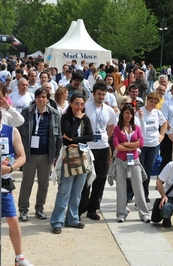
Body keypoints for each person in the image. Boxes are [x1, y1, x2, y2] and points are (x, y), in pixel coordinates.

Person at [50, 93, 93, 234]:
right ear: (71, 103)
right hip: (68, 155)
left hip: (82, 155)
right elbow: (67, 133)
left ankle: (73, 219)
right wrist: (75, 121)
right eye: (76, 104)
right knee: (64, 190)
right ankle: (57, 221)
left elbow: (90, 136)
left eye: (81, 104)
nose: (79, 107)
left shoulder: (85, 118)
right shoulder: (66, 118)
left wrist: (74, 139)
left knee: (77, 191)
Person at [17, 87, 62, 221]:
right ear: (35, 98)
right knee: (27, 183)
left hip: (46, 155)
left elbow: (58, 135)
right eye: (38, 97)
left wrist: (57, 154)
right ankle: (23, 210)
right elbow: (18, 133)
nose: (41, 100)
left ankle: (39, 208)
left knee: (43, 184)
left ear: (48, 99)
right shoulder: (26, 112)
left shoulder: (54, 114)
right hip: (29, 154)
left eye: (44, 97)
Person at [79, 82, 116, 220]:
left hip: (103, 147)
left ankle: (93, 208)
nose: (101, 97)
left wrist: (106, 141)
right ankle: (81, 207)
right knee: (84, 179)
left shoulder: (109, 110)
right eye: (99, 94)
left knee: (100, 179)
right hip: (87, 148)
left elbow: (111, 127)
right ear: (93, 93)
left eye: (103, 94)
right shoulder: (85, 107)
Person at [1, 110, 33, 265]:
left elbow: (22, 156)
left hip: (4, 184)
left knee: (13, 219)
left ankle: (19, 257)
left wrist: (11, 168)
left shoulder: (11, 131)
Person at [113, 104, 150, 223]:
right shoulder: (117, 128)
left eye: (131, 113)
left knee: (138, 186)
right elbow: (116, 146)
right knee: (121, 187)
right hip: (120, 160)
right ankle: (121, 213)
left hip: (134, 159)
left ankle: (144, 213)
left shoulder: (136, 128)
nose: (129, 116)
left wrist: (126, 145)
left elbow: (141, 144)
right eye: (126, 113)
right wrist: (132, 145)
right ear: (122, 114)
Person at [137, 92, 167, 202]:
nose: (153, 104)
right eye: (151, 101)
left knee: (148, 170)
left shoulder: (157, 113)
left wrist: (162, 134)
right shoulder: (140, 112)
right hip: (142, 145)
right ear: (147, 100)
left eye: (155, 102)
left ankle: (145, 194)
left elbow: (164, 123)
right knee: (140, 170)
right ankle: (133, 194)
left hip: (154, 145)